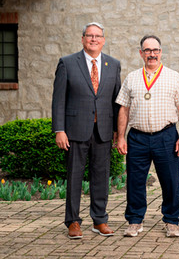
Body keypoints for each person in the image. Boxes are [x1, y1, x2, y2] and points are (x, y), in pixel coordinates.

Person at [52, 22, 121, 239]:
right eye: (89, 35)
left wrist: (119, 131)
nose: (93, 39)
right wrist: (59, 129)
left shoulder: (113, 64)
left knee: (101, 176)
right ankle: (73, 221)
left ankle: (99, 220)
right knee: (74, 177)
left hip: (103, 130)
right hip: (75, 130)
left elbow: (116, 101)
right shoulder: (67, 63)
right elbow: (58, 100)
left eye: (97, 36)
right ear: (82, 39)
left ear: (103, 39)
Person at [116, 35, 179, 238]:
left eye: (155, 50)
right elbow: (123, 109)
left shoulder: (173, 77)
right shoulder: (132, 78)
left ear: (161, 52)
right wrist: (120, 137)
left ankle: (172, 221)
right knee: (135, 180)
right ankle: (135, 220)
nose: (152, 54)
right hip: (137, 137)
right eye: (147, 50)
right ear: (141, 53)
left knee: (170, 181)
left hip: (165, 136)